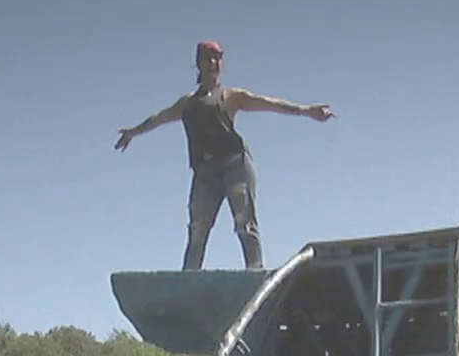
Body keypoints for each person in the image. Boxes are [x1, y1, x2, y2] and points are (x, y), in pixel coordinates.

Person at [114, 39, 334, 271]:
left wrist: (305, 111)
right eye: (207, 58)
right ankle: (189, 278)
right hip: (204, 173)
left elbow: (269, 103)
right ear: (198, 63)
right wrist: (133, 132)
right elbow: (159, 118)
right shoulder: (188, 103)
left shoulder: (231, 96)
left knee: (244, 223)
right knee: (197, 230)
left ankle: (255, 273)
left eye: (217, 58)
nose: (212, 63)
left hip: (235, 166)